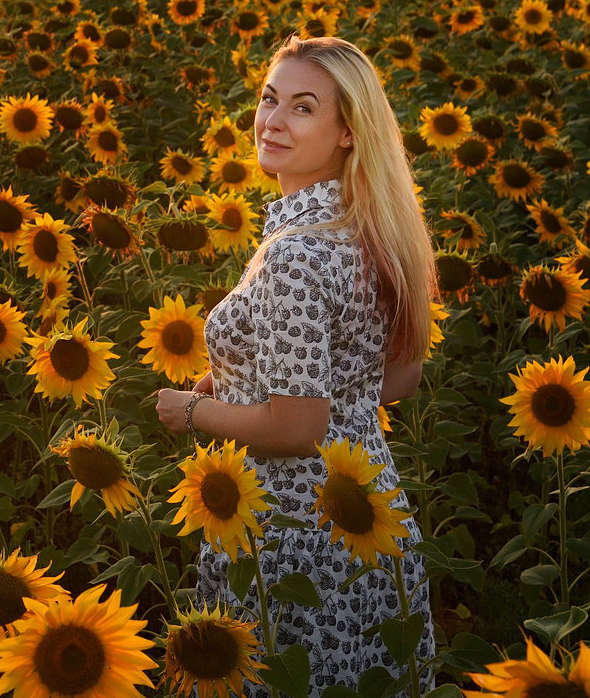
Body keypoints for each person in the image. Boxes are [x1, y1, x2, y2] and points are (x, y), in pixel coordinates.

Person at [155, 34, 437, 694]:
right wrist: (243, 379)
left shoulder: (294, 254)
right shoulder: (369, 227)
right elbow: (395, 375)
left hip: (289, 538)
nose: (272, 120)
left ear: (346, 131)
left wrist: (192, 408)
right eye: (268, 98)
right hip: (368, 522)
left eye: (302, 107)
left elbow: (296, 425)